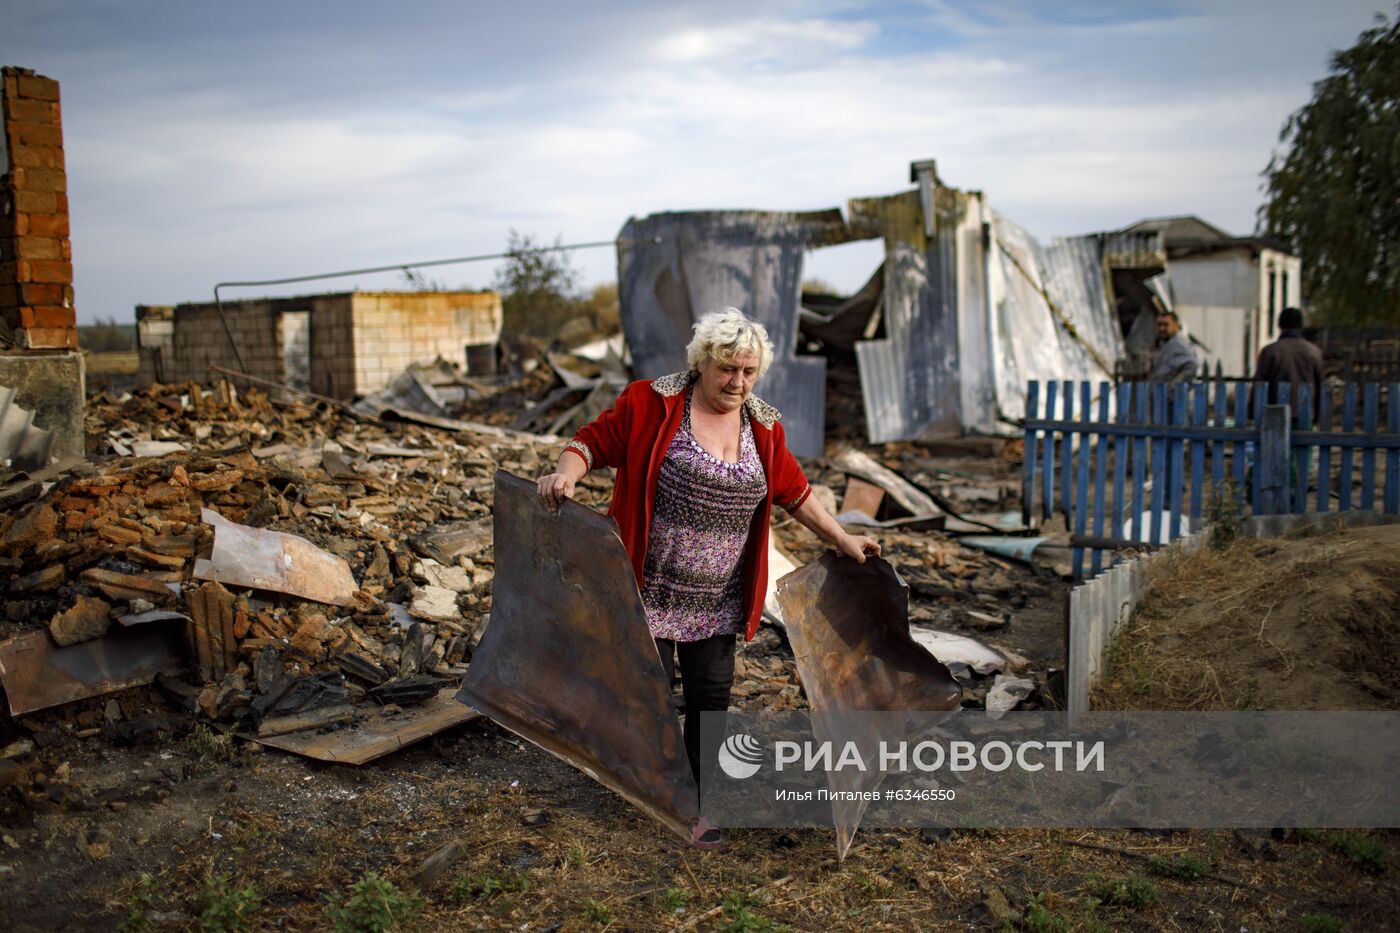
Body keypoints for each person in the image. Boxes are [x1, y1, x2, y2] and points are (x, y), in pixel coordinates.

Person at [536, 307, 879, 849]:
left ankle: (702, 805)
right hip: (646, 588)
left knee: (710, 699)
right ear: (702, 364)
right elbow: (589, 443)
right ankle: (645, 785)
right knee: (646, 695)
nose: (737, 382)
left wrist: (844, 540)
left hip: (718, 598)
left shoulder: (763, 426)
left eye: (748, 372)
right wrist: (565, 475)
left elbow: (796, 493)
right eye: (727, 369)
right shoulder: (653, 402)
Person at [1255, 306, 1323, 409]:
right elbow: (1320, 385)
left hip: (1274, 413)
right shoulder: (1314, 351)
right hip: (1305, 412)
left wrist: (1252, 412)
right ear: (1301, 326)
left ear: (1280, 325)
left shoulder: (1270, 351)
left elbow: (1259, 385)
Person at [1150, 309, 1198, 383]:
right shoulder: (1166, 342)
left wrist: (1174, 386)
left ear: (1176, 325)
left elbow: (1191, 366)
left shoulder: (1178, 343)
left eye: (1166, 325)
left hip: (1169, 393)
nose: (1161, 328)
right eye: (1159, 325)